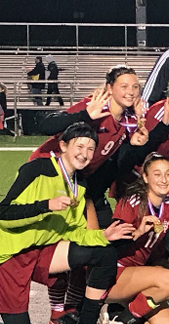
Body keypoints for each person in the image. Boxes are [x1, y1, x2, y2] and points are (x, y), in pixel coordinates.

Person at [0, 122, 135, 324]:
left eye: (90, 149)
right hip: (11, 255)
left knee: (103, 253)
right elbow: (4, 213)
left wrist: (103, 235)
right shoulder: (38, 168)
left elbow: (74, 231)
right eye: (79, 147)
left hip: (43, 250)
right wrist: (45, 206)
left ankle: (85, 319)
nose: (84, 154)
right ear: (63, 146)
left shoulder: (78, 184)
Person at [101, 153, 169, 324]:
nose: (164, 180)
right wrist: (137, 233)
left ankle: (124, 309)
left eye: (168, 174)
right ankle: (122, 318)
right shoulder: (132, 202)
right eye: (157, 174)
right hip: (114, 271)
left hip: (138, 273)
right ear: (145, 177)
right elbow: (109, 248)